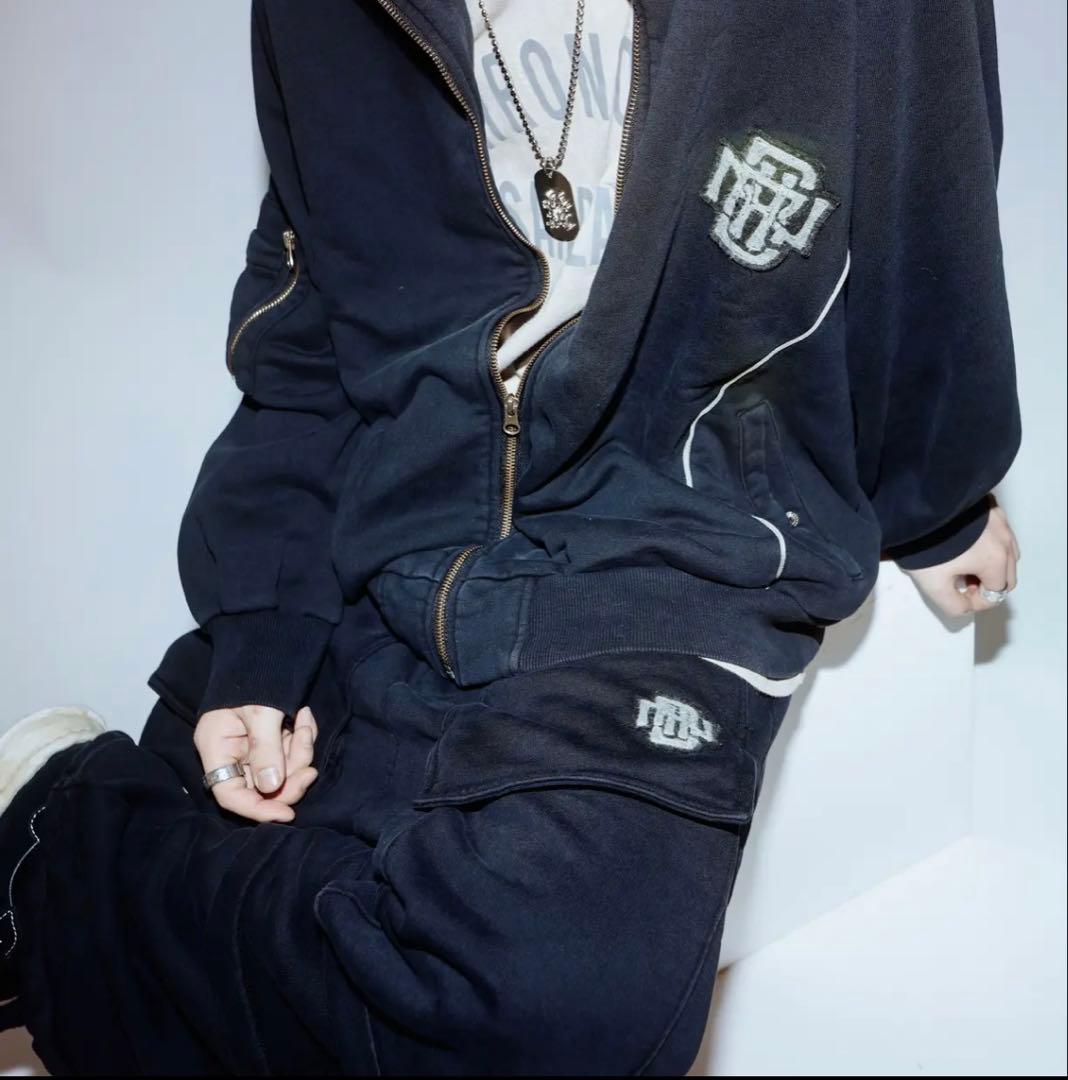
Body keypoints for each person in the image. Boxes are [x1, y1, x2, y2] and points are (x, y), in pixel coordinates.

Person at [0, 0, 1021, 1073]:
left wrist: (933, 494)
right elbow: (306, 317)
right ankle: (64, 855)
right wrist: (264, 623)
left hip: (664, 548)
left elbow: (927, 198)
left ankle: (46, 858)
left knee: (557, 1011)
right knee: (278, 855)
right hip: (396, 523)